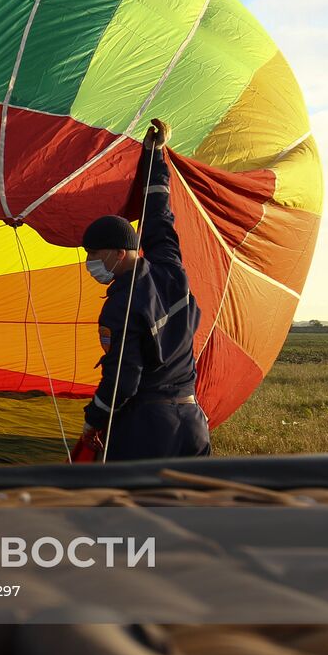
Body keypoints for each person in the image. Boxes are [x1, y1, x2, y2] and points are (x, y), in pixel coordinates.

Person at [72, 119, 211, 461]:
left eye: (95, 255)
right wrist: (154, 155)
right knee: (191, 510)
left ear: (119, 253)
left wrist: (94, 421)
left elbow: (123, 377)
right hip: (192, 421)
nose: (91, 263)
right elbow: (159, 215)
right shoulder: (170, 267)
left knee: (135, 510)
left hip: (149, 427)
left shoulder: (120, 306)